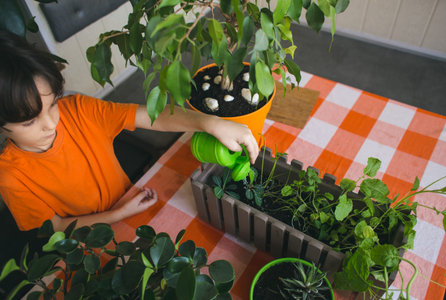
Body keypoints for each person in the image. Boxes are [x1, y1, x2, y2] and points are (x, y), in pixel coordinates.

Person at [0, 31, 259, 232]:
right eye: (28, 122)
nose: (50, 123)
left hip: (131, 199)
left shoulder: (77, 109)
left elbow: (148, 116)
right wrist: (118, 215)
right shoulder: (10, 176)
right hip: (89, 236)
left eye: (53, 104)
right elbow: (54, 227)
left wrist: (211, 123)